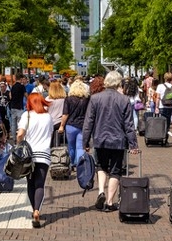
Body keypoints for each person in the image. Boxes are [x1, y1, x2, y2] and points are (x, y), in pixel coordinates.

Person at [82, 71, 139, 212]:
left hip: (100, 139)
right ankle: (109, 202)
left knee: (100, 166)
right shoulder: (124, 100)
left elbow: (88, 122)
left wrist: (85, 142)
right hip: (118, 141)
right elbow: (129, 125)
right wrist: (133, 144)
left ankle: (101, 190)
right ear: (119, 83)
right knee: (115, 171)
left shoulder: (95, 99)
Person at [16, 93, 53, 228]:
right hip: (44, 154)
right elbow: (50, 133)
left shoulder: (27, 115)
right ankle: (38, 210)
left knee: (30, 183)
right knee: (40, 184)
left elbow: (20, 133)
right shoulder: (48, 117)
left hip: (29, 155)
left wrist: (18, 144)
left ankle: (33, 211)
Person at [58, 80, 90, 170]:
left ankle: (72, 163)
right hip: (83, 125)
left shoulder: (68, 99)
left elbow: (65, 114)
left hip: (70, 125)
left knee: (71, 146)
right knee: (80, 147)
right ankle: (79, 165)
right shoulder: (87, 99)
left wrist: (62, 125)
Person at [46, 79, 66, 147]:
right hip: (61, 122)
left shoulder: (48, 99)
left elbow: (44, 111)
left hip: (50, 122)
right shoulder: (64, 99)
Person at [155, 72, 172, 141]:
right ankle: (166, 139)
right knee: (167, 123)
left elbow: (157, 97)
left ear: (164, 78)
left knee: (161, 123)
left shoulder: (160, 86)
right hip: (169, 107)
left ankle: (161, 138)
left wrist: (156, 107)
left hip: (161, 107)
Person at [10, 73, 27, 141]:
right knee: (20, 124)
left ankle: (14, 138)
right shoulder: (22, 86)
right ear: (20, 79)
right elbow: (26, 95)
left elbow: (10, 96)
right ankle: (20, 138)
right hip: (19, 107)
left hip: (13, 106)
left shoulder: (13, 86)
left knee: (13, 124)